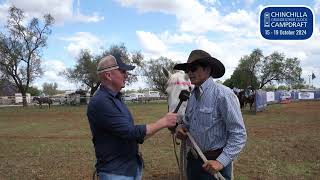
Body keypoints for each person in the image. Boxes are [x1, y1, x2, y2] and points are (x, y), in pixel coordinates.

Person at [87, 54, 177, 180]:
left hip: (129, 169)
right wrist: (163, 122)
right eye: (122, 71)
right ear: (108, 75)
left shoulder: (115, 98)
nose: (126, 75)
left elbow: (134, 136)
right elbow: (130, 132)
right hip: (116, 173)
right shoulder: (101, 102)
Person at [174, 49, 247, 180]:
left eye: (193, 68)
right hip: (192, 162)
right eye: (187, 69)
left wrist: (220, 162)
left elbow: (238, 133)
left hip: (214, 164)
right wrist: (181, 128)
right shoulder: (192, 96)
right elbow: (187, 123)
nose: (189, 72)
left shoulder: (223, 94)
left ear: (207, 69)